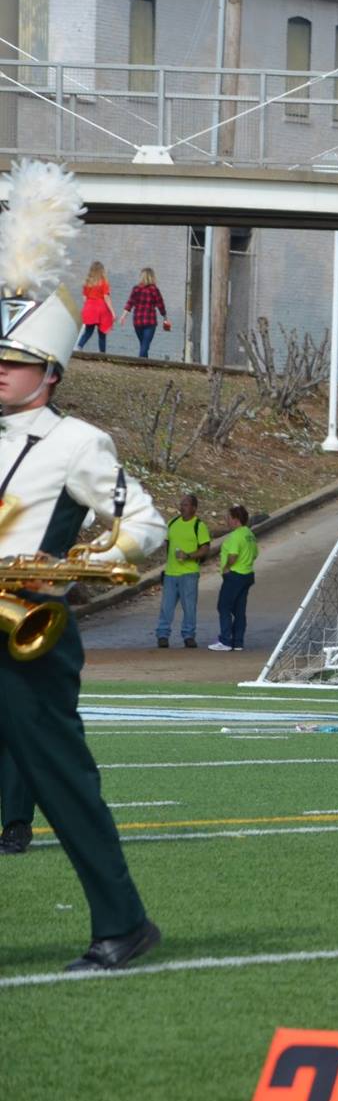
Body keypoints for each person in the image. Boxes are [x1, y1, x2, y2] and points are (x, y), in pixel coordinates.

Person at [0, 159, 168, 969]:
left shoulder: (76, 442)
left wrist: (80, 567)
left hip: (26, 628)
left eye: (12, 360)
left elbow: (146, 523)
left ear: (51, 373)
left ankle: (122, 922)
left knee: (62, 782)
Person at [156, 493, 211, 649]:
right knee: (166, 607)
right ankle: (162, 635)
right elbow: (167, 544)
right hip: (171, 573)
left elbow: (205, 549)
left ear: (194, 508)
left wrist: (188, 556)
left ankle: (189, 636)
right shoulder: (172, 523)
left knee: (189, 608)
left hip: (189, 573)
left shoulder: (199, 526)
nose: (182, 507)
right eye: (181, 504)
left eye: (186, 505)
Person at [208, 504, 257, 652]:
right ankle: (238, 641)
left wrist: (226, 567)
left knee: (224, 606)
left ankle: (225, 640)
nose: (226, 521)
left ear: (236, 520)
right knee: (239, 609)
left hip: (235, 575)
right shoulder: (249, 534)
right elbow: (255, 554)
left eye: (228, 518)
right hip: (247, 574)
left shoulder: (236, 536)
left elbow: (233, 555)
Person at [117, 267, 170, 360]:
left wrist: (123, 317)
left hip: (137, 322)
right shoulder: (154, 290)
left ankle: (144, 364)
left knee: (143, 345)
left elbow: (129, 304)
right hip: (150, 322)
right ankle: (139, 363)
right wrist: (165, 317)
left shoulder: (136, 289)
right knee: (145, 345)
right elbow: (160, 305)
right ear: (152, 277)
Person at [76, 261, 113, 352]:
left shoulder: (87, 283)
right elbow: (106, 297)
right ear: (102, 271)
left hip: (89, 308)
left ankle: (79, 347)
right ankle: (102, 353)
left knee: (88, 332)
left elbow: (84, 299)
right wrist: (112, 312)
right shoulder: (104, 282)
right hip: (101, 309)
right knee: (102, 334)